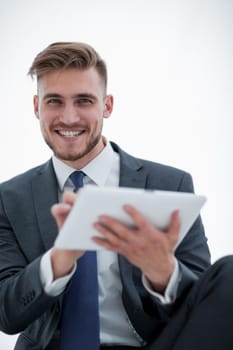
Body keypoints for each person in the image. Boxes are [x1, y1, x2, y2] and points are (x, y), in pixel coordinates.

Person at [0, 41, 231, 350]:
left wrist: (163, 272)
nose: (69, 118)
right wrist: (59, 260)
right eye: (54, 101)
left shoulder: (170, 183)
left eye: (84, 100)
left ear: (107, 105)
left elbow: (208, 306)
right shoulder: (9, 198)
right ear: (36, 107)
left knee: (228, 274)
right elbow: (6, 314)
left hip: (151, 345)